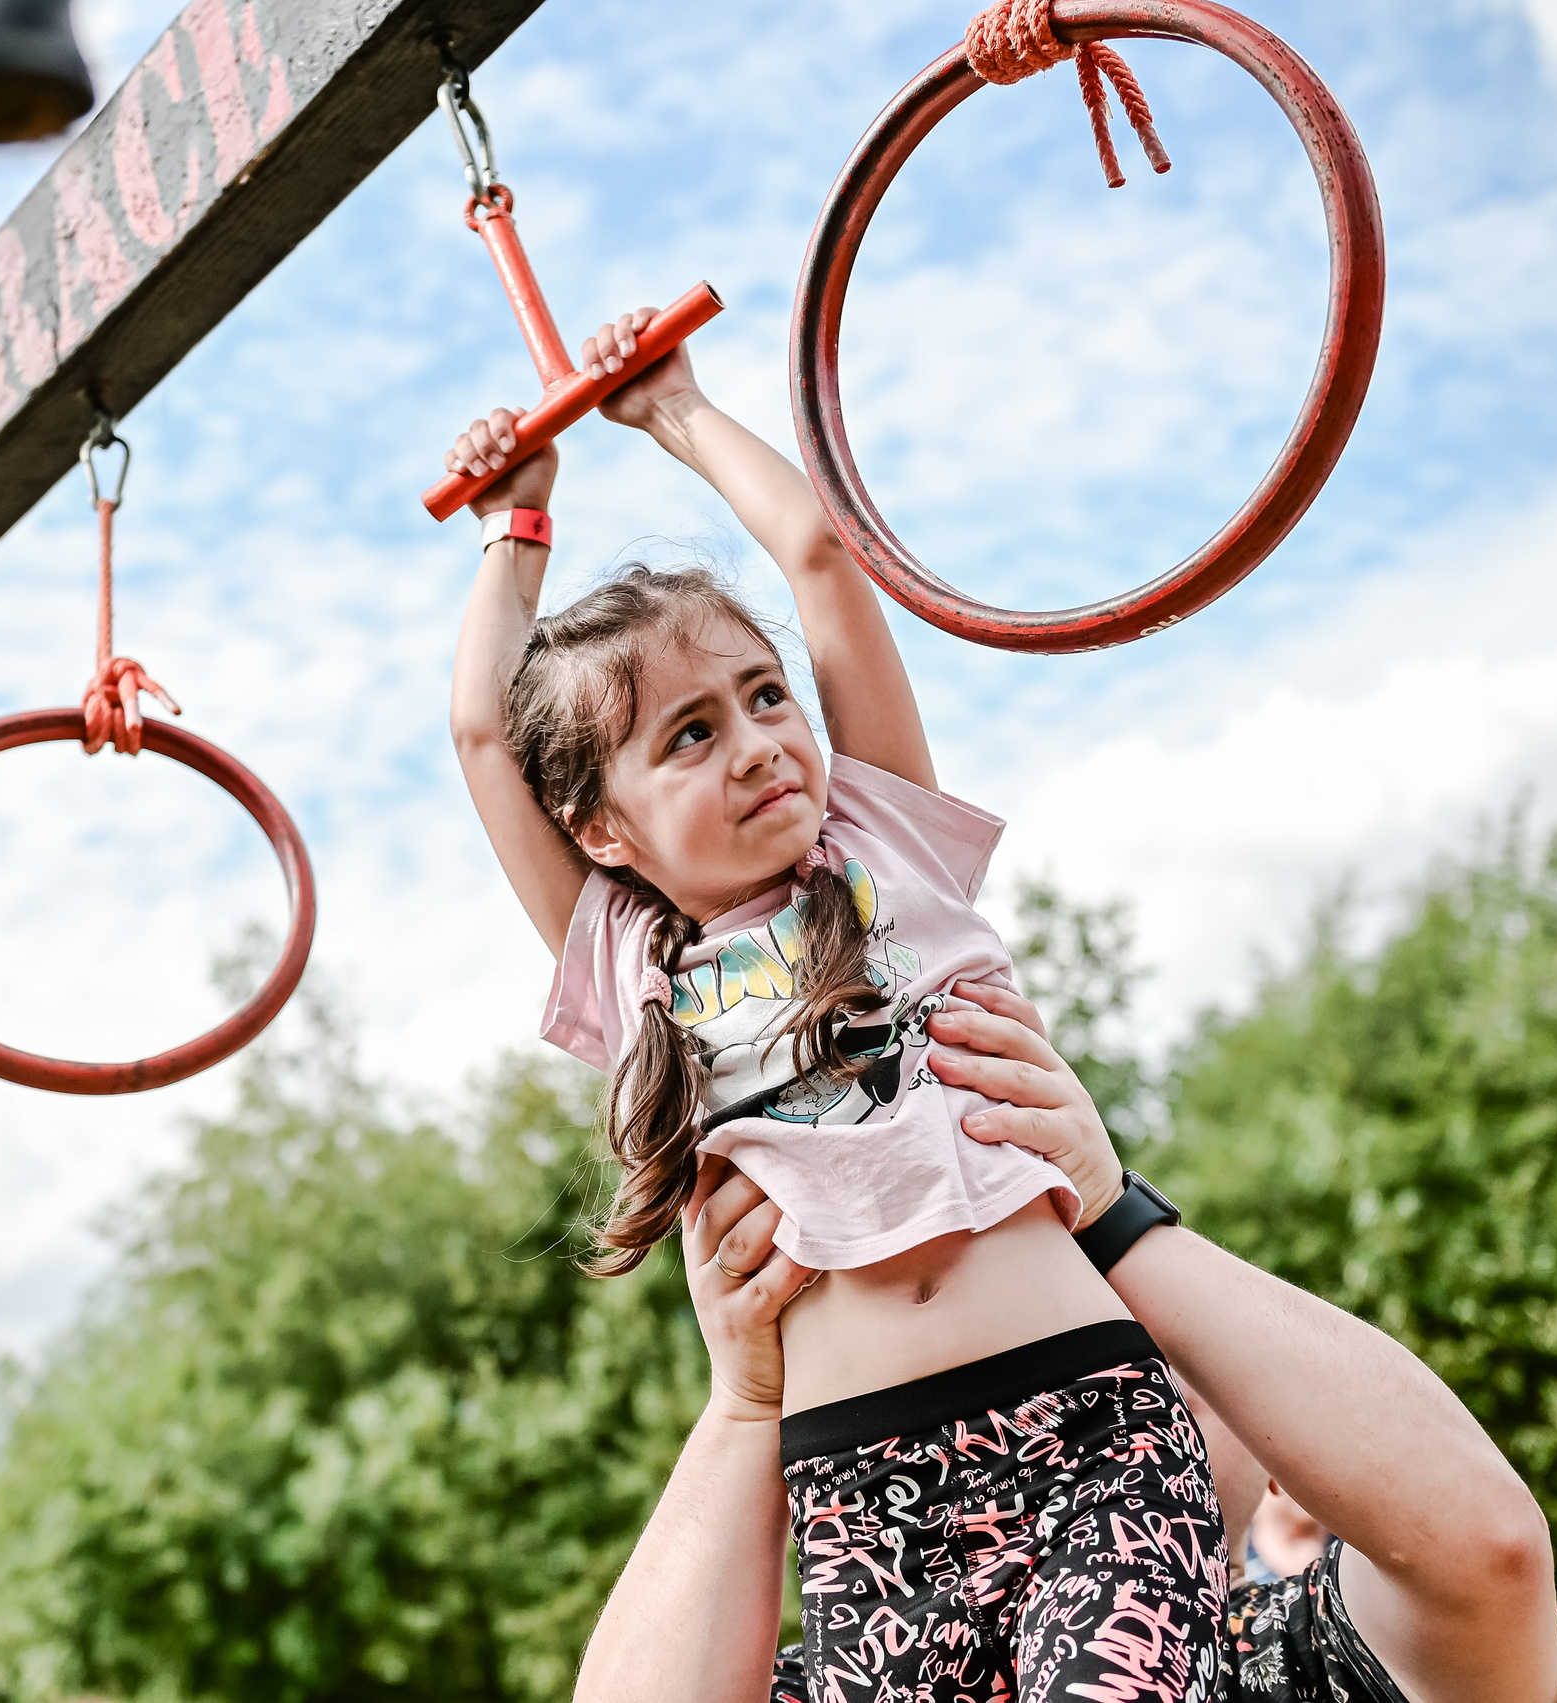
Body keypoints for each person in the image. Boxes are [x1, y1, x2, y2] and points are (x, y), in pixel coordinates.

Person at [444, 314, 1222, 1698]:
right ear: (602, 827)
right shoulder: (632, 967)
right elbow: (487, 735)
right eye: (689, 735)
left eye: (761, 698)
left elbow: (817, 557)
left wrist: (673, 410)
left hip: (1090, 1419)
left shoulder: (881, 839)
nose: (757, 743)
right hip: (862, 1491)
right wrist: (517, 522)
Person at [573, 979, 1557, 1703]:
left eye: (1130, 1349)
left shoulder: (1290, 1665)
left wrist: (1108, 1213)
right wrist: (746, 1404)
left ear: (1270, 1462)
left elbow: (1485, 1553)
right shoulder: (848, 1664)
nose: (1044, 1401)